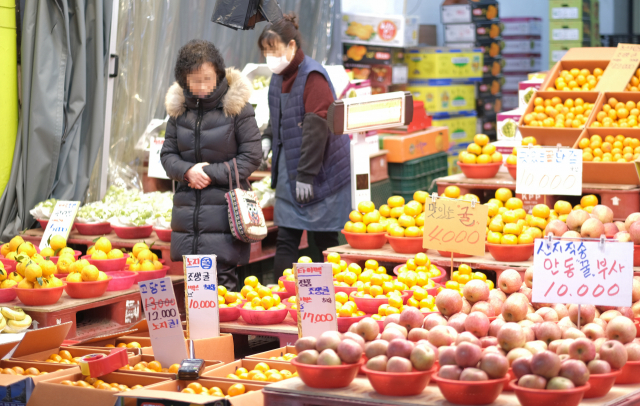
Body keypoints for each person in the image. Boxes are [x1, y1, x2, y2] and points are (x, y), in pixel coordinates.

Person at [161, 40, 261, 291]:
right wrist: (187, 172)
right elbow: (167, 156)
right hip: (187, 220)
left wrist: (207, 173)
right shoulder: (178, 111)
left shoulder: (237, 109)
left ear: (218, 73)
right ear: (184, 80)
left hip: (225, 215)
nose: (203, 86)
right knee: (194, 292)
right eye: (195, 80)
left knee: (224, 289)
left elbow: (251, 157)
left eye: (208, 78)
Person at [258, 15, 351, 273]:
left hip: (323, 170)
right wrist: (267, 137)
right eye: (265, 52)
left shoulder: (313, 77)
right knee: (287, 237)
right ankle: (282, 299)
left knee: (322, 240)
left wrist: (307, 175)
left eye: (273, 50)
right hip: (292, 166)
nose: (269, 57)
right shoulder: (278, 77)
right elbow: (277, 117)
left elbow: (317, 129)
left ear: (291, 46)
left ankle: (326, 303)